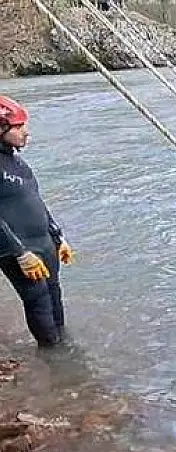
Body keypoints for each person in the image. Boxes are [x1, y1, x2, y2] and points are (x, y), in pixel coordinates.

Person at [0, 95, 75, 348]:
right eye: (19, 126)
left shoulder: (17, 162)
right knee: (38, 300)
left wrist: (58, 235)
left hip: (44, 243)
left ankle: (66, 359)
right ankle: (53, 360)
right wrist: (19, 252)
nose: (26, 132)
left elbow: (34, 200)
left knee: (54, 295)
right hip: (17, 249)